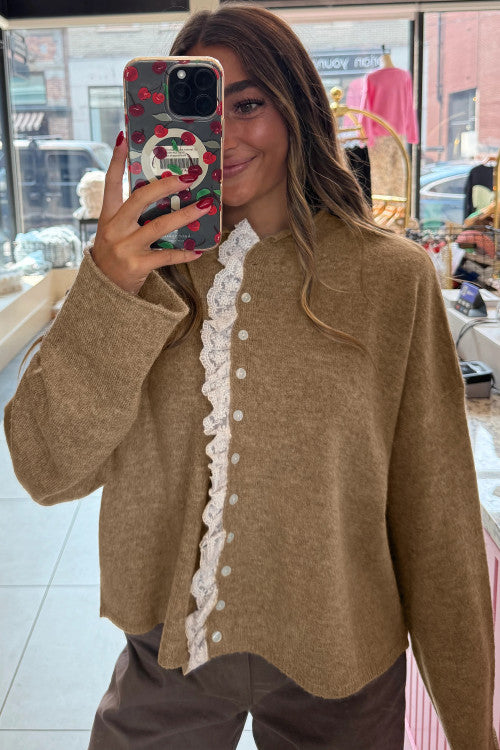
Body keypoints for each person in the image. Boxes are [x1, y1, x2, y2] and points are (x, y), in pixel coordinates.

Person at [4, 3, 498, 749]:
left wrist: (470, 726)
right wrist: (109, 285)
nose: (224, 137)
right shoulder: (138, 270)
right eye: (202, 112)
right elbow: (45, 470)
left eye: (248, 105)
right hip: (170, 649)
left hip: (343, 654)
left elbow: (436, 508)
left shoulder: (388, 278)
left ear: (297, 109)